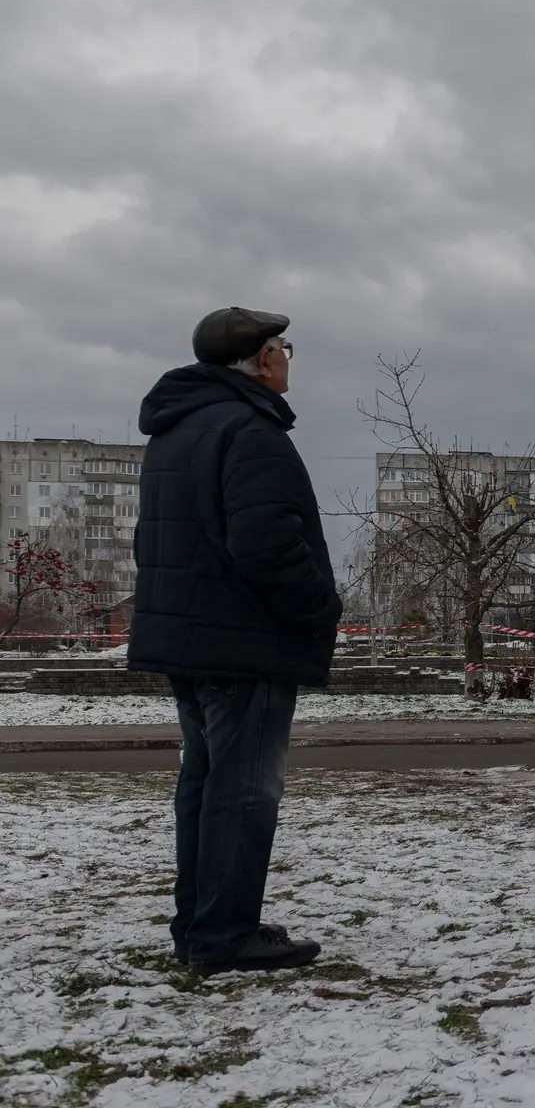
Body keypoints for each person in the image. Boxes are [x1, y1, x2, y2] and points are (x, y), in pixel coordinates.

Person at [130, 307, 341, 975]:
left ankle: (201, 926)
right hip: (243, 642)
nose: (288, 359)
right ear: (258, 359)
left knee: (204, 782)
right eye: (284, 347)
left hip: (191, 638)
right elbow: (268, 547)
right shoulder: (250, 432)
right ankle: (225, 937)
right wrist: (319, 608)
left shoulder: (177, 431)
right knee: (243, 790)